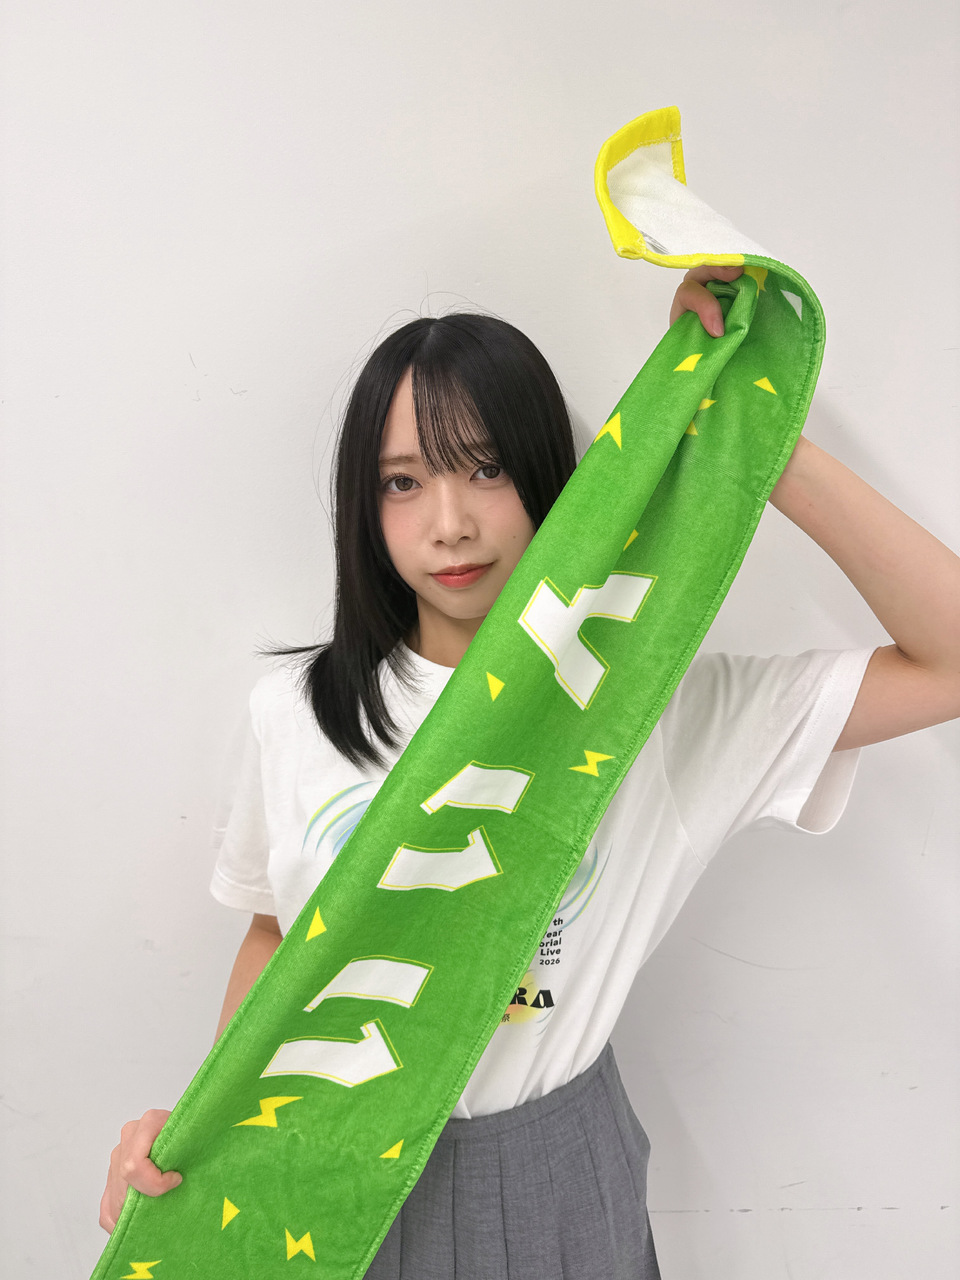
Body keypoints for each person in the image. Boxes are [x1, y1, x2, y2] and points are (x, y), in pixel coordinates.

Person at [99, 267, 960, 1276]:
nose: (449, 522)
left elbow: (946, 658)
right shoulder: (294, 715)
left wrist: (744, 429)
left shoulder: (653, 711)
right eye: (403, 481)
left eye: (487, 468)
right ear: (363, 507)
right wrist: (210, 1129)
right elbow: (276, 933)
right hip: (327, 1166)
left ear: (554, 477)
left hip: (555, 1167)